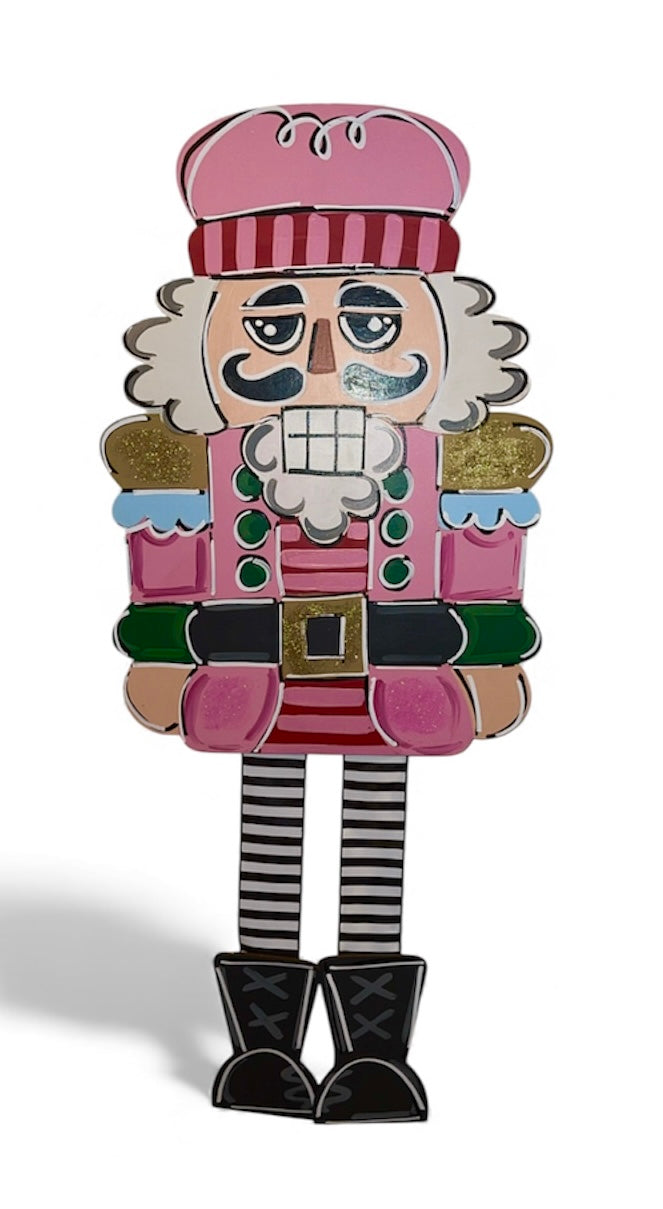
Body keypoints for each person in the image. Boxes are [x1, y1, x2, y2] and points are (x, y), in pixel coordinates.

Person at [103, 105, 551, 1122]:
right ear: (202, 338)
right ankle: (264, 1048)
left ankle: (372, 1055)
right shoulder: (182, 462)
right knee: (270, 824)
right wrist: (161, 654)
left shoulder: (468, 461)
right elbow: (163, 574)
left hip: (398, 681)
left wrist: (486, 661)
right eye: (270, 326)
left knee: (372, 836)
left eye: (370, 324)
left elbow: (488, 574)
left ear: (443, 336)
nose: (319, 360)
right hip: (248, 678)